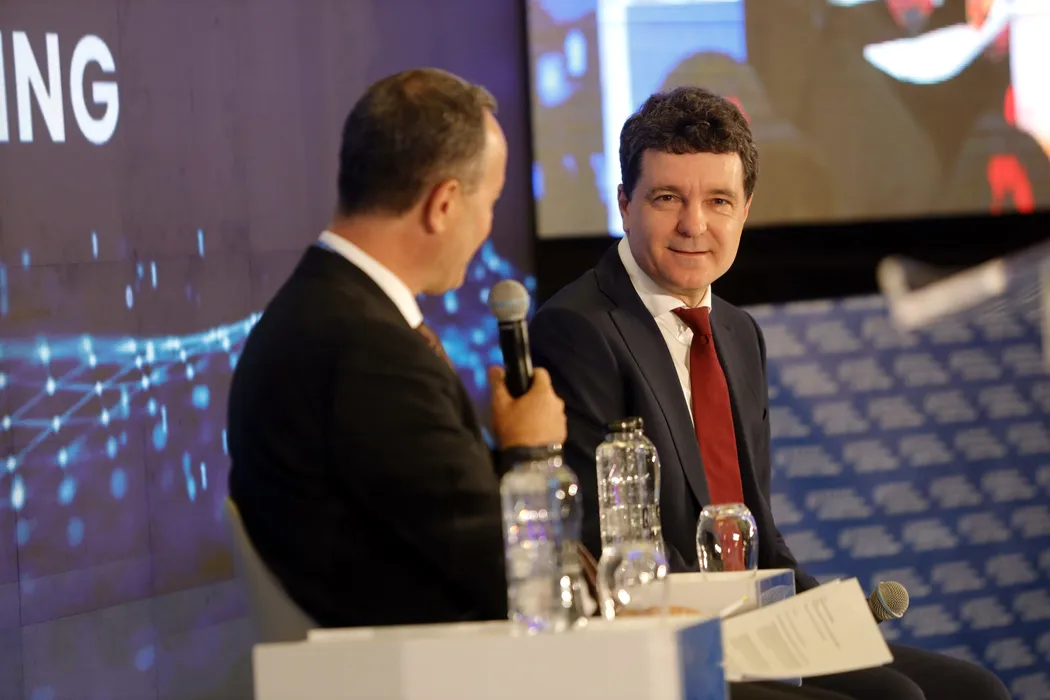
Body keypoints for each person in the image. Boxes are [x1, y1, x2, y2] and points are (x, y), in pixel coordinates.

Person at [529, 86, 1011, 700]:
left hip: (759, 621)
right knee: (895, 698)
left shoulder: (737, 332)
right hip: (665, 637)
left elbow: (758, 529)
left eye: (719, 201)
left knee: (974, 689)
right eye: (668, 198)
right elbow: (607, 543)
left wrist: (824, 615)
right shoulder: (577, 329)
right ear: (625, 204)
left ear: (746, 210)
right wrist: (750, 625)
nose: (694, 225)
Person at [226, 68, 566, 630]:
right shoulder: (371, 355)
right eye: (490, 202)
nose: (488, 227)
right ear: (444, 204)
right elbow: (517, 579)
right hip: (430, 661)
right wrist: (530, 454)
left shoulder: (323, 313)